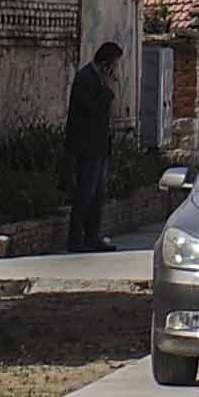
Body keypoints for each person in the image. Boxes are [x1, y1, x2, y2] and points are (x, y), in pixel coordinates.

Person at [62, 40, 124, 251]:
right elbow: (92, 111)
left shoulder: (98, 80)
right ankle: (76, 239)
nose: (116, 70)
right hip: (85, 148)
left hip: (99, 148)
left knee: (98, 195)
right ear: (106, 63)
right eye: (115, 64)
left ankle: (92, 237)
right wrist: (107, 89)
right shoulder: (85, 78)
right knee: (84, 195)